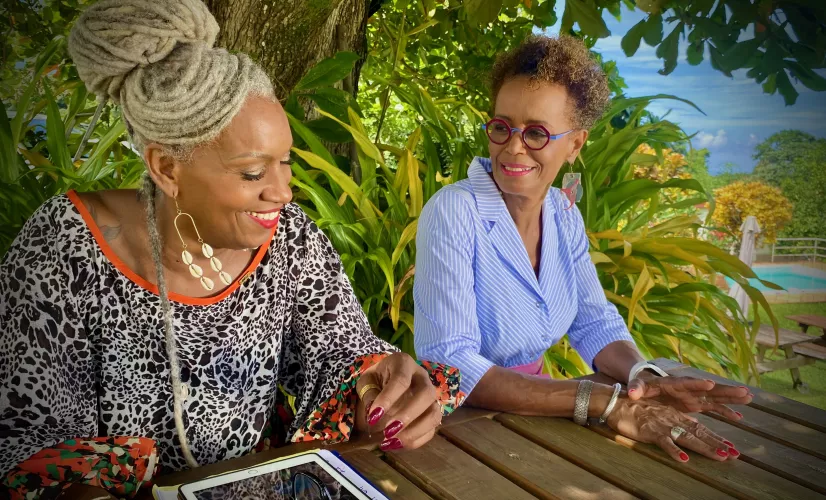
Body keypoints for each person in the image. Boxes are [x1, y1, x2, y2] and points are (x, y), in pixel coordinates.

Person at [0, 1, 462, 497]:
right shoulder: (66, 247)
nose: (282, 191)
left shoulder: (288, 238)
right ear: (167, 168)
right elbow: (27, 424)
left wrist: (379, 386)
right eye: (252, 172)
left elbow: (338, 350)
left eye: (284, 163)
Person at [414, 35, 751, 464]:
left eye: (537, 133)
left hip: (536, 414)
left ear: (575, 144)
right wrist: (606, 403)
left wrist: (642, 379)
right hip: (461, 427)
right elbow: (452, 364)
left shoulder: (562, 214)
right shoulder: (454, 211)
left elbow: (593, 320)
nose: (513, 147)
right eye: (501, 127)